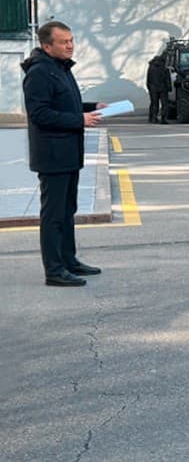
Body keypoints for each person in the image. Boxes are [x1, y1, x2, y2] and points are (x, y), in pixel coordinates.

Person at [21, 21, 105, 287]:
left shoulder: (60, 68)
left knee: (68, 209)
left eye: (71, 40)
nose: (70, 45)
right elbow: (40, 114)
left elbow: (65, 103)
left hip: (68, 152)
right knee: (54, 214)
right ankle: (54, 270)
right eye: (63, 42)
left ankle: (69, 260)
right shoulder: (40, 72)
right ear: (47, 46)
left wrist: (92, 107)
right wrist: (79, 119)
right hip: (53, 155)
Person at [146, 54, 170, 124]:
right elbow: (167, 79)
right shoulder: (164, 67)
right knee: (164, 104)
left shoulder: (151, 67)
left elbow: (148, 79)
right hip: (163, 88)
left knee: (154, 103)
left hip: (153, 88)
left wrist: (149, 88)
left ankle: (153, 118)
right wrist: (169, 88)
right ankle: (163, 119)